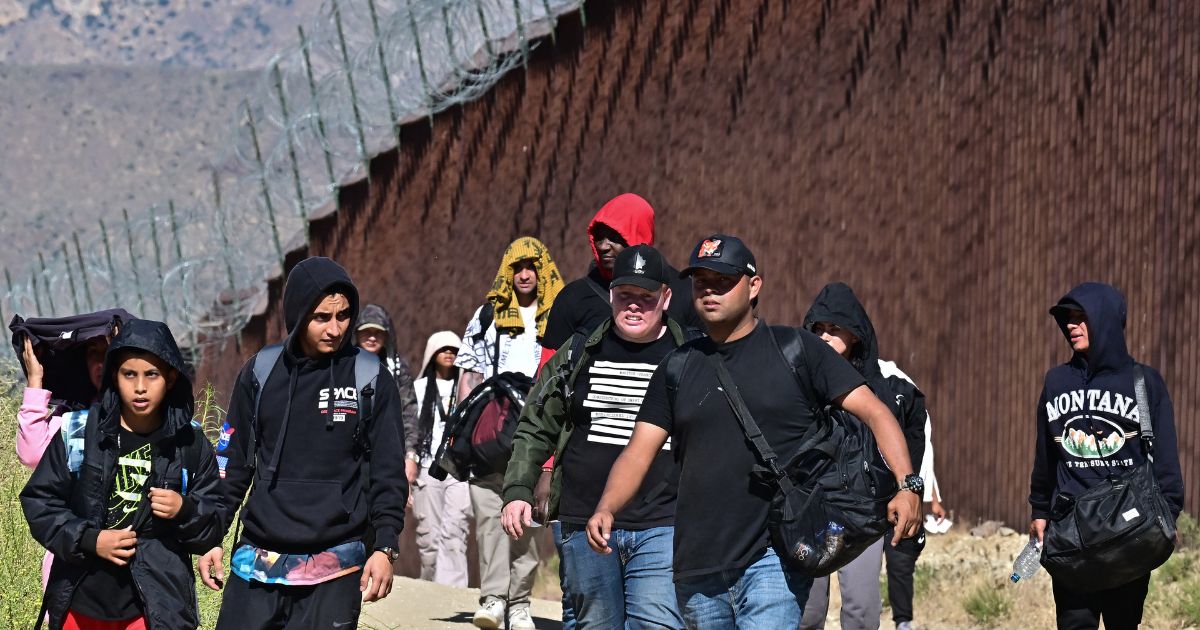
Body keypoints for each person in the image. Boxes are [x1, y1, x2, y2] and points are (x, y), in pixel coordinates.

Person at [586, 235, 922, 629]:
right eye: (700, 281)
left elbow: (877, 413)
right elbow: (638, 451)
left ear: (754, 286)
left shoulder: (797, 350)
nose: (709, 290)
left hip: (773, 560)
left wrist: (907, 485)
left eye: (722, 280)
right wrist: (607, 506)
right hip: (697, 566)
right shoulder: (677, 367)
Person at [198, 256, 408, 629]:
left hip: (336, 563)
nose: (335, 328)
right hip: (257, 562)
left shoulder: (370, 378)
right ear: (297, 314)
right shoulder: (261, 373)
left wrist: (385, 546)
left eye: (343, 316)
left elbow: (387, 472)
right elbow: (233, 463)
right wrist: (212, 535)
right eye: (321, 317)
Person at [502, 245, 690, 629]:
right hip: (582, 519)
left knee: (657, 624)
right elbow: (537, 422)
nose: (634, 306)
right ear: (610, 295)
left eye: (646, 297)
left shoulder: (689, 357)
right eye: (625, 295)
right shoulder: (578, 353)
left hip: (662, 524)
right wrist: (518, 489)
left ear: (666, 298)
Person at [21, 318, 225, 630]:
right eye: (129, 374)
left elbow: (212, 523)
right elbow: (40, 503)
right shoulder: (78, 432)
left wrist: (184, 509)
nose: (140, 387)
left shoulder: (190, 443)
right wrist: (91, 539)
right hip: (82, 602)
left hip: (154, 608)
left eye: (152, 375)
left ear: (171, 378)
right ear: (115, 377)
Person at [1029, 282, 1183, 630]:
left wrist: (1169, 513)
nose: (1071, 325)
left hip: (1127, 531)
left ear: (1106, 321)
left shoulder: (1144, 383)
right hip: (1072, 532)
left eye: (1081, 317)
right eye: (1068, 318)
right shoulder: (1056, 382)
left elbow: (1166, 458)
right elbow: (1045, 454)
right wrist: (1039, 509)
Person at [797, 282, 927, 630]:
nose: (824, 337)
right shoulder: (796, 379)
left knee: (860, 611)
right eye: (818, 329)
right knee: (806, 612)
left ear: (854, 334)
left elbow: (913, 437)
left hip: (863, 512)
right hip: (808, 510)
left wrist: (911, 491)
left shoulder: (889, 387)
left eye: (834, 329)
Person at [454, 236, 564, 630]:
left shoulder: (557, 315)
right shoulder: (488, 316)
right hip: (490, 430)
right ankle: (493, 598)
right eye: (517, 267)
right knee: (489, 516)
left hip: (536, 430)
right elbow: (469, 374)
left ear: (543, 270)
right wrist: (463, 431)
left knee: (529, 519)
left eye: (531, 266)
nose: (524, 274)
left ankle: (519, 603)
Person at [12, 307, 133, 589]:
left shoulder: (152, 420)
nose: (101, 361)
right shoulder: (71, 420)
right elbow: (32, 455)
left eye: (110, 350)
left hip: (133, 575)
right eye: (93, 352)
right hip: (72, 571)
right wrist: (35, 381)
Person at [878, 359, 948, 630]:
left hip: (908, 492)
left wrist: (932, 496)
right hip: (875, 493)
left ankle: (903, 621)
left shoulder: (904, 389)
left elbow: (923, 452)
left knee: (901, 559)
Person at [410, 330, 472, 586]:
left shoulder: (470, 388)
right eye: (443, 349)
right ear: (431, 354)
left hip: (460, 468)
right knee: (429, 538)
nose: (449, 353)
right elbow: (410, 431)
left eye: (455, 350)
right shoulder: (417, 388)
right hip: (427, 467)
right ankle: (430, 594)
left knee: (455, 530)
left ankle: (452, 595)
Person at [353, 303, 419, 490]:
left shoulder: (397, 369)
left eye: (378, 332)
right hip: (348, 457)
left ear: (387, 336)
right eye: (367, 332)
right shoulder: (342, 367)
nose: (372, 337)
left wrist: (411, 455)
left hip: (388, 454)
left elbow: (409, 412)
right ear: (356, 334)